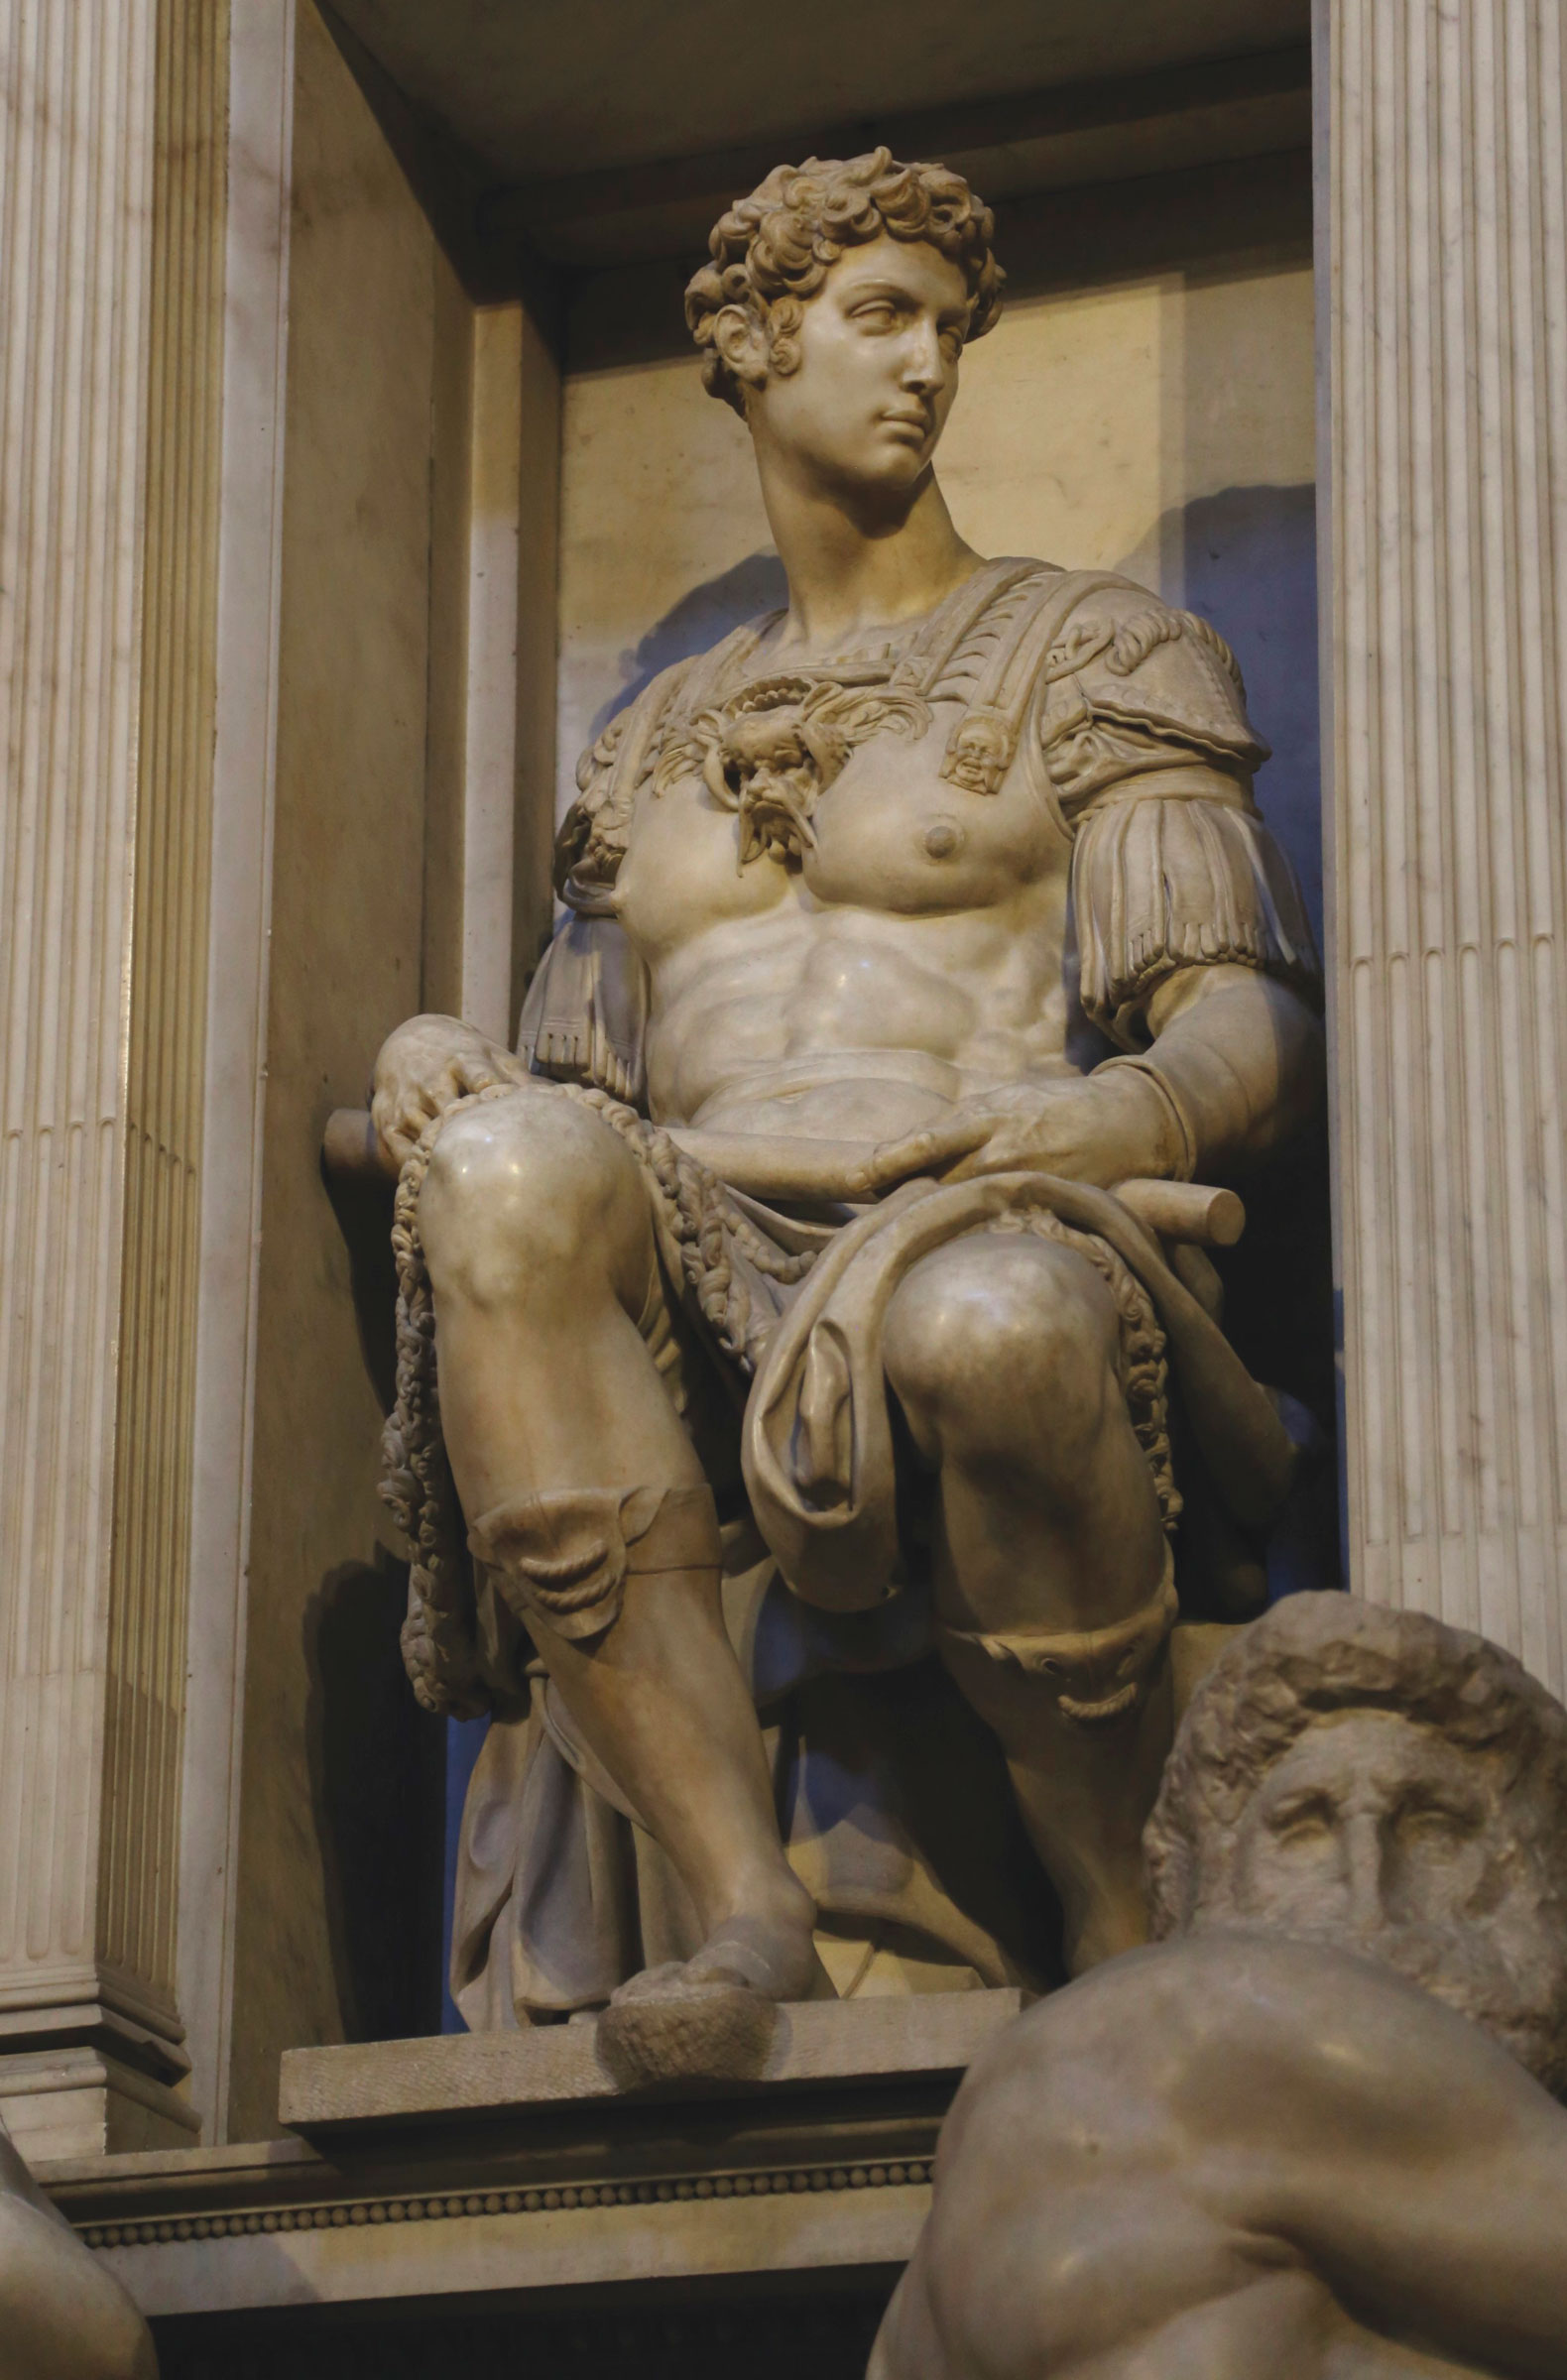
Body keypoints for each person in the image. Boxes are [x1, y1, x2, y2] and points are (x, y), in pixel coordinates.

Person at [371, 148, 1323, 2054]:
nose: (929, 370)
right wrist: (433, 1060)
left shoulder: (1097, 648)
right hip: (703, 1219)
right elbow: (578, 1105)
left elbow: (1242, 1034)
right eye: (880, 318)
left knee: (986, 1323)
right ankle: (742, 1912)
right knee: (492, 1177)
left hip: (996, 1195)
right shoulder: (647, 740)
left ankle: (1121, 1927)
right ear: (747, 345)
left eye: (949, 330)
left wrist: (1103, 1122)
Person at [870, 1594, 1567, 2380]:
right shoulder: (1191, 2033)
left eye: (1435, 1829)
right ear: (1205, 1876)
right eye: (1304, 1829)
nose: (1371, 1894)